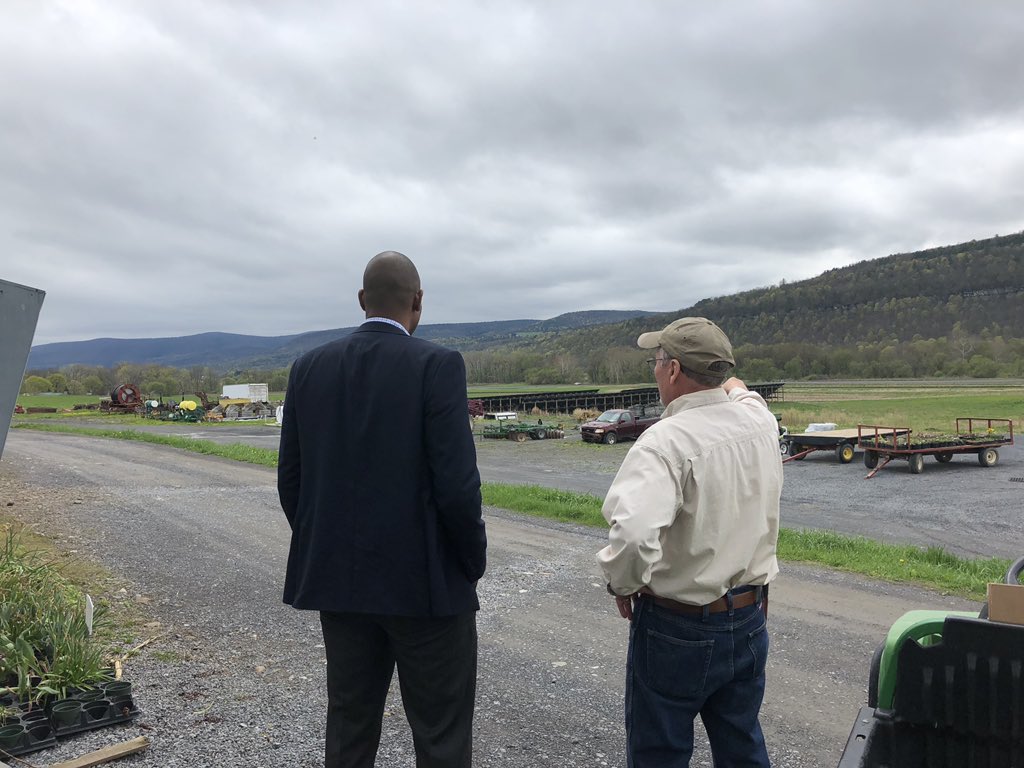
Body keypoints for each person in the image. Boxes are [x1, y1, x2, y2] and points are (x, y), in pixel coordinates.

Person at [277, 251, 487, 768]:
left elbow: (292, 482)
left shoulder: (308, 368)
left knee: (349, 723)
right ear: (418, 302)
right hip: (427, 588)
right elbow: (457, 486)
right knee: (440, 732)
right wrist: (470, 562)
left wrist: (324, 543)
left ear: (361, 300)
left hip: (339, 585)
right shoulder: (437, 365)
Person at [596, 317, 782, 768]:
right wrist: (729, 382)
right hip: (750, 616)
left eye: (656, 362)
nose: (654, 372)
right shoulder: (760, 421)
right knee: (742, 745)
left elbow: (635, 536)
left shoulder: (664, 441)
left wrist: (623, 584)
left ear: (674, 369)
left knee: (660, 752)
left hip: (676, 626)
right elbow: (742, 391)